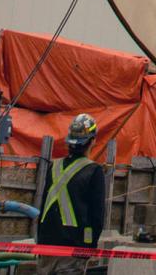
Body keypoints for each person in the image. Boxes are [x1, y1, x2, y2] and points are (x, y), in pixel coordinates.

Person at [36, 114, 106, 275]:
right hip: (73, 249)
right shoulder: (93, 171)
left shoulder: (54, 166)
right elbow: (97, 217)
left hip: (46, 247)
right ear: (92, 140)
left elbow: (43, 207)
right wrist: (89, 246)